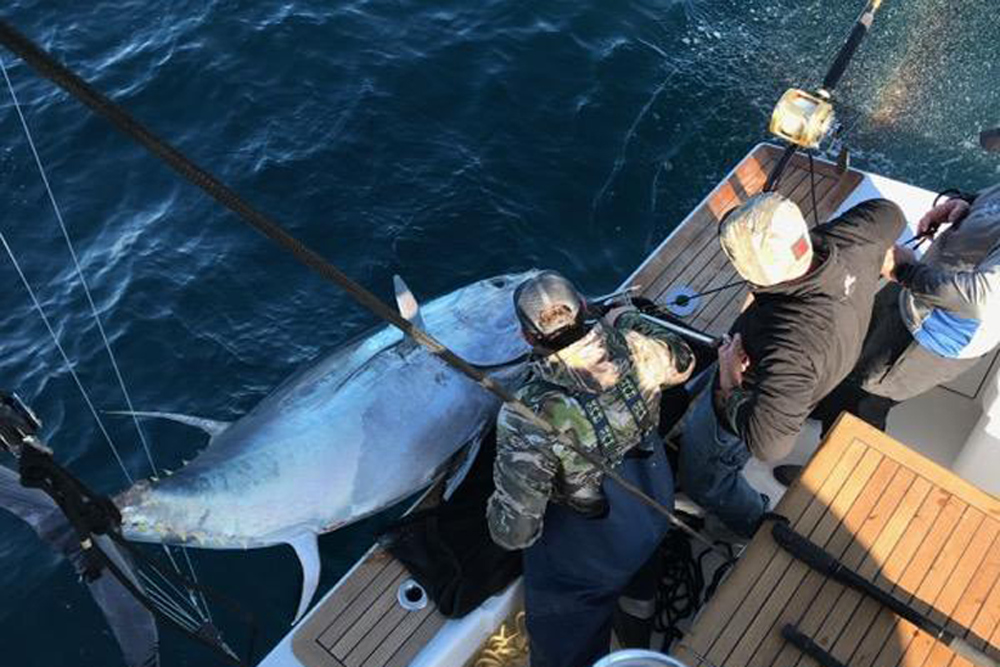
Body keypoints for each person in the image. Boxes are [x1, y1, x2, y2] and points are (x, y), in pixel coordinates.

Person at [486, 270, 695, 667]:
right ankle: (637, 630)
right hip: (651, 506)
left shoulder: (526, 414)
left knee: (564, 638)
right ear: (584, 310)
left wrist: (499, 498)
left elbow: (514, 533)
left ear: (527, 338)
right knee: (640, 575)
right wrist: (626, 318)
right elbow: (682, 359)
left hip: (589, 553)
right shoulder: (637, 349)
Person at [677, 193, 905, 537]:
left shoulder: (790, 346)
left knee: (703, 478)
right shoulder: (853, 239)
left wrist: (729, 382)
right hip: (822, 373)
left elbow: (769, 444)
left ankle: (751, 523)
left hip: (752, 398)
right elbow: (892, 213)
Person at [812, 182, 1000, 433]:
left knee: (867, 397)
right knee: (851, 355)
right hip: (918, 289)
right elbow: (987, 200)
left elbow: (977, 300)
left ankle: (828, 470)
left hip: (934, 334)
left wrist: (904, 271)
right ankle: (827, 406)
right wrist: (963, 203)